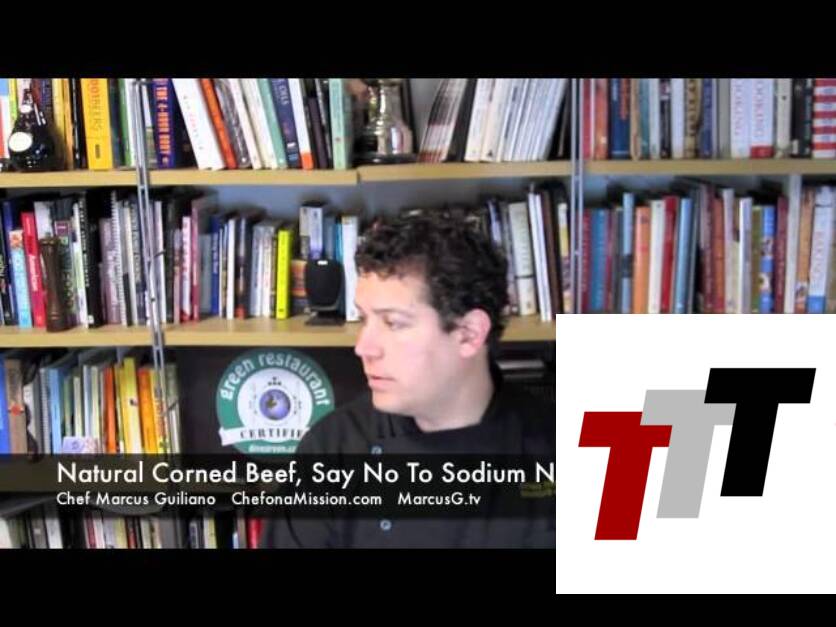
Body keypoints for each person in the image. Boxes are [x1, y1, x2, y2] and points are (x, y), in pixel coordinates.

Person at [259, 210, 555, 548]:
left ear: (469, 333)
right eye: (364, 319)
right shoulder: (331, 450)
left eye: (393, 323)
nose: (363, 347)